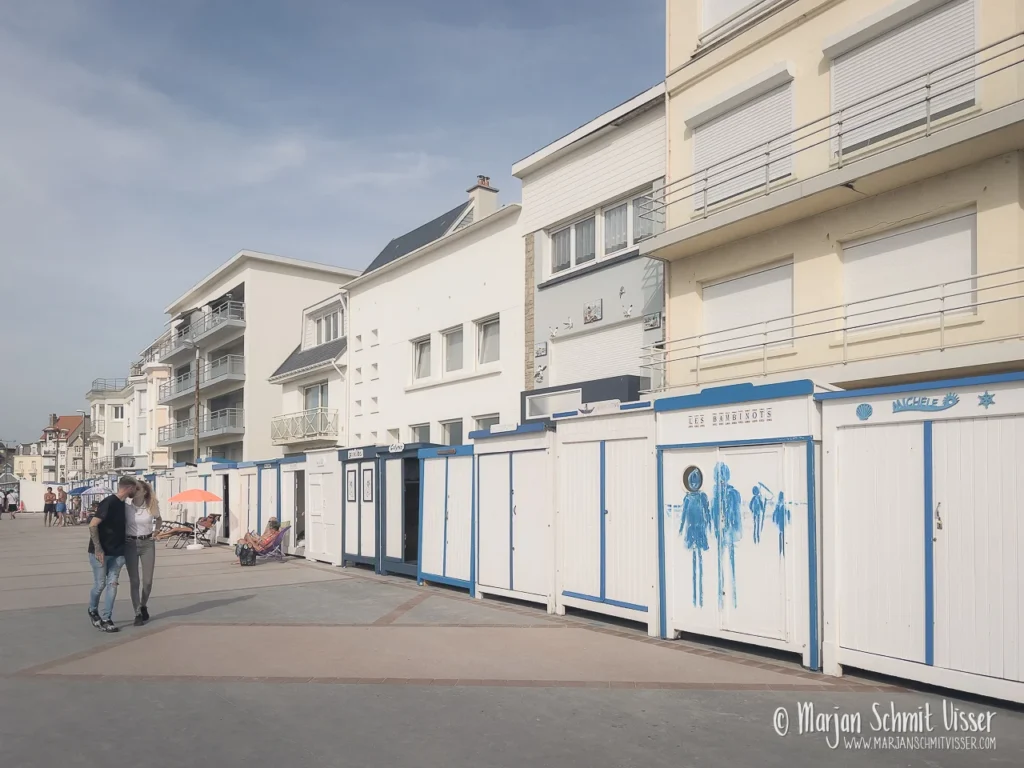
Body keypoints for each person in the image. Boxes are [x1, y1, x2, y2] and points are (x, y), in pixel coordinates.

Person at [87, 477, 137, 632]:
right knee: (100, 584)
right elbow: (93, 524)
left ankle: (107, 618)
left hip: (118, 552)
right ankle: (92, 609)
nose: (135, 492)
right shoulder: (109, 502)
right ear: (129, 488)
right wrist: (98, 548)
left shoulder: (124, 506)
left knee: (112, 585)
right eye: (134, 489)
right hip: (100, 552)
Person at [124, 478, 161, 626]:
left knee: (147, 581)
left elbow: (159, 519)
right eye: (133, 488)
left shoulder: (151, 506)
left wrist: (156, 531)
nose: (134, 490)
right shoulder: (126, 506)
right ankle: (137, 612)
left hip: (147, 543)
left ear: (144, 491)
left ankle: (143, 603)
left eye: (137, 488)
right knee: (134, 581)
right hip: (130, 544)